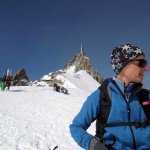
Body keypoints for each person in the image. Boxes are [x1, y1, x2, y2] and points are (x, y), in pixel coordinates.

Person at [69, 44, 150, 150]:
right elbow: (76, 127)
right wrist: (97, 147)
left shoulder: (146, 96)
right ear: (123, 64)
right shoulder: (101, 96)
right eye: (141, 63)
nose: (146, 68)